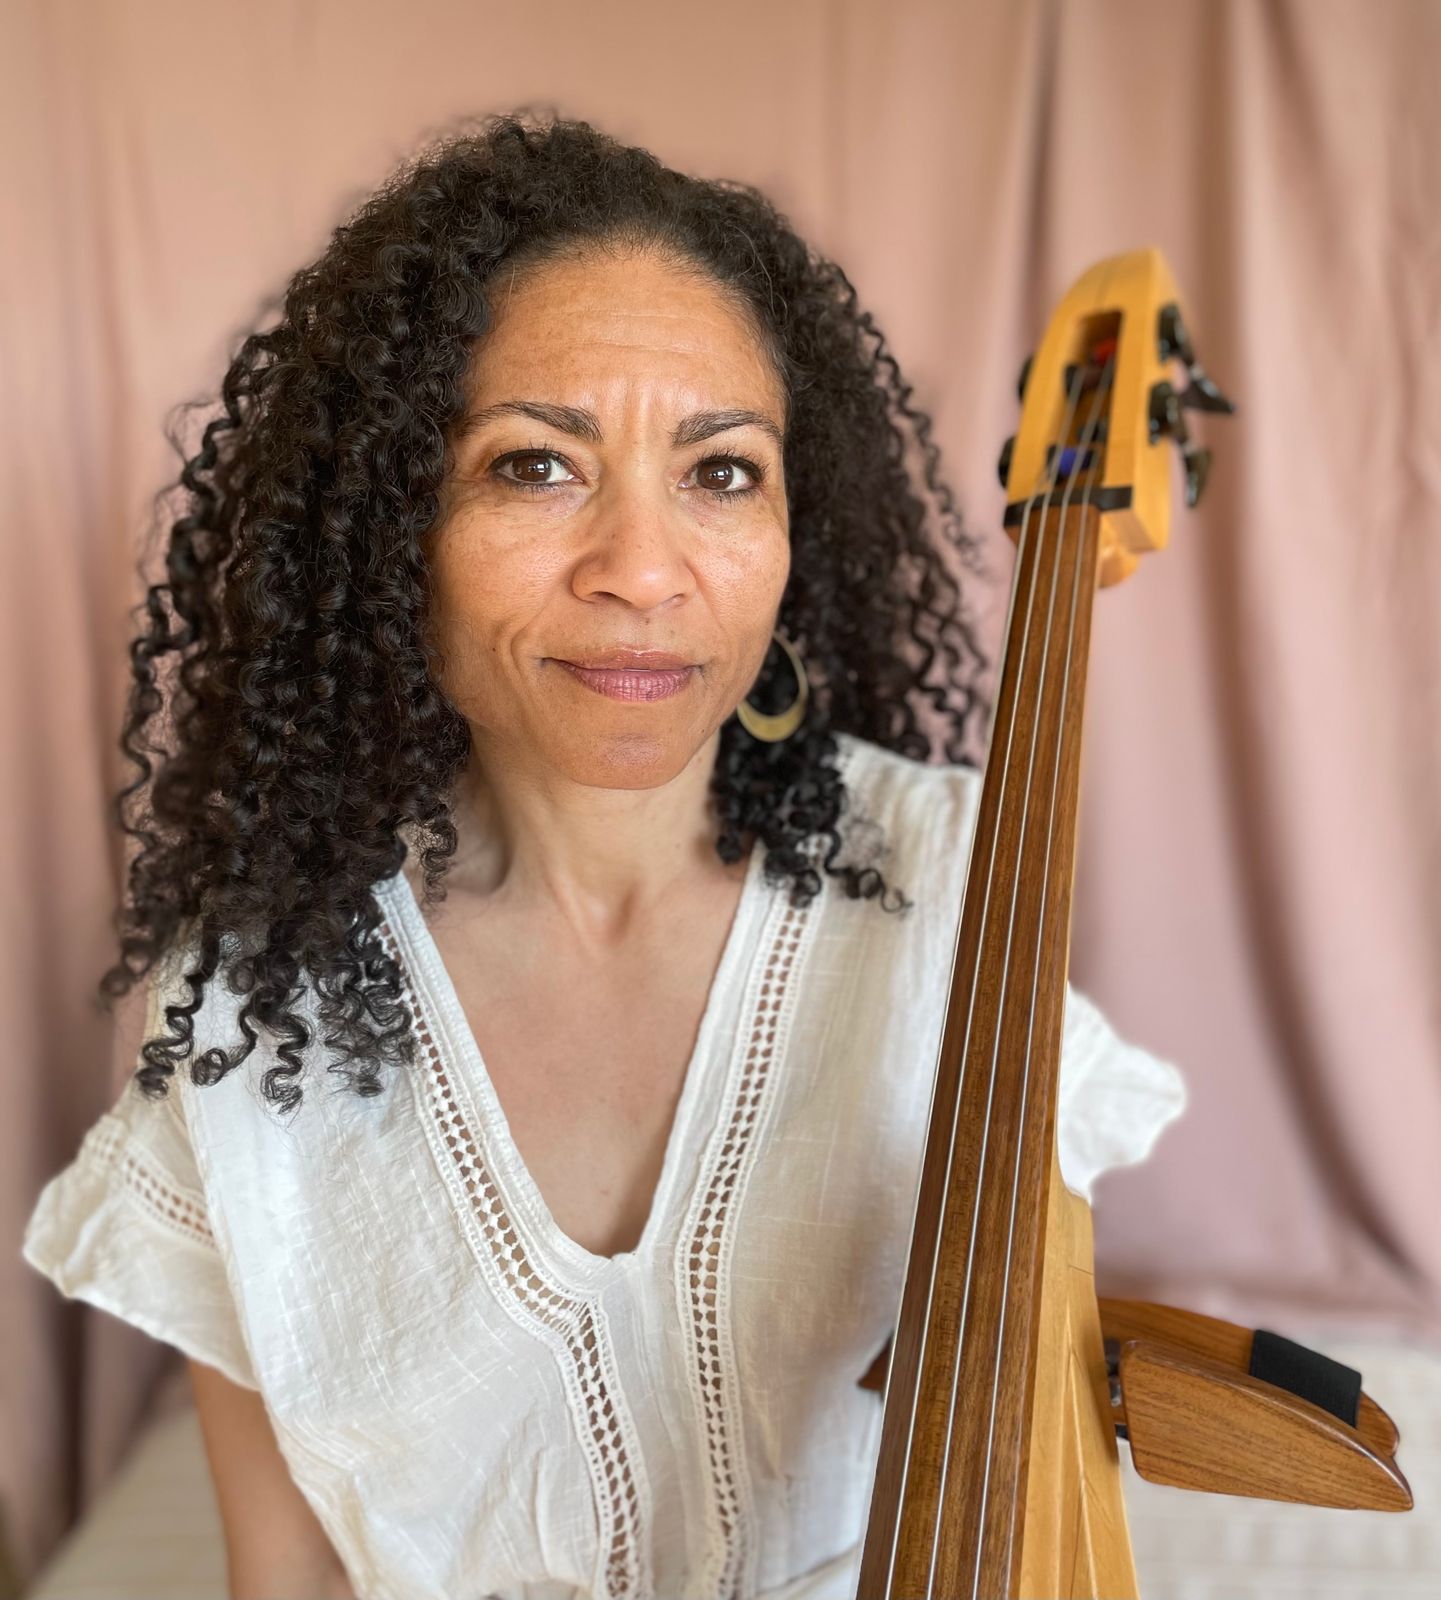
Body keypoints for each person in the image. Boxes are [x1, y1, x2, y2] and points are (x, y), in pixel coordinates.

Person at [22, 111, 1186, 1600]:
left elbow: (1024, 1442)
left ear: (794, 532)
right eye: (534, 465)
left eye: (721, 473)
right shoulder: (257, 1007)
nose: (641, 570)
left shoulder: (957, 880)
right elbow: (290, 1569)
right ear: (390, 532)